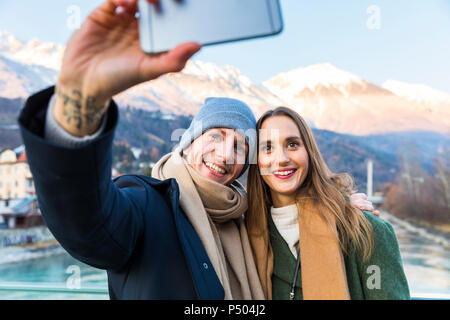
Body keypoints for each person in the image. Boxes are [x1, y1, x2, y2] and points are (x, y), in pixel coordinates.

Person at [18, 0, 375, 299]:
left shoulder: (248, 219)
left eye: (240, 146)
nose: (224, 154)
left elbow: (293, 210)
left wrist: (337, 206)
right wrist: (81, 99)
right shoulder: (145, 205)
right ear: (189, 142)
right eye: (215, 136)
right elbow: (86, 226)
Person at [246, 107, 411, 300]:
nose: (281, 159)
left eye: (292, 144)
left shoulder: (367, 231)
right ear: (256, 161)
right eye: (267, 148)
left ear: (309, 152)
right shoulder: (249, 237)